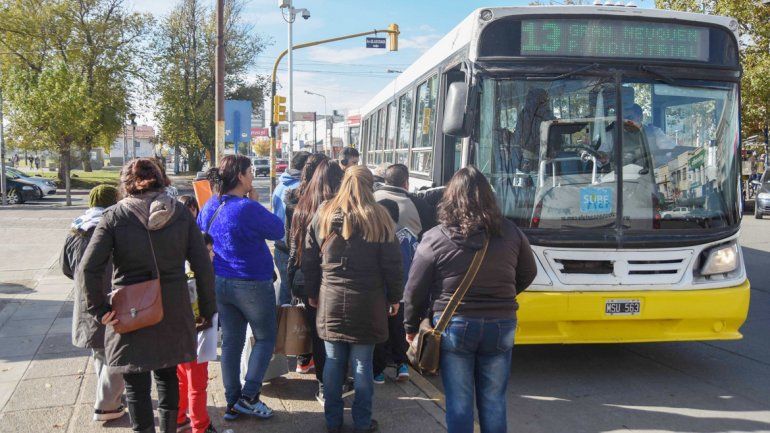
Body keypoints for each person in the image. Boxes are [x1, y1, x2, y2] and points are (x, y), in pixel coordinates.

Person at [79, 158, 216, 433]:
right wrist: (206, 310)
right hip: (174, 308)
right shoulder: (179, 213)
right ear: (161, 178)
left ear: (126, 183)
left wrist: (100, 309)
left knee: (136, 388)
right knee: (168, 380)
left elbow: (88, 269)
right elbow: (203, 265)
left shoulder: (114, 216)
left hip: (130, 311)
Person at [403, 166, 538, 433]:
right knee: (494, 400)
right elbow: (528, 273)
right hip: (501, 323)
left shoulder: (435, 238)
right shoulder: (511, 232)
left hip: (454, 324)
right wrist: (503, 296)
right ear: (489, 197)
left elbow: (415, 288)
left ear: (451, 198)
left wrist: (410, 327)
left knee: (459, 402)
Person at [302, 165, 403, 433]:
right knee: (362, 364)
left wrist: (312, 292)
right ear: (371, 186)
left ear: (343, 183)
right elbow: (393, 264)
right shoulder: (380, 217)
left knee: (333, 362)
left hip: (331, 298)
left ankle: (332, 420)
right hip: (368, 304)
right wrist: (395, 297)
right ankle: (362, 421)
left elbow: (310, 258)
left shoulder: (323, 213)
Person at [197, 154, 284, 422]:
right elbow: (278, 229)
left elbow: (201, 231)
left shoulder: (212, 204)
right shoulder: (247, 207)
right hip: (252, 283)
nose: (253, 176)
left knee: (232, 342)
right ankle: (249, 397)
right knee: (266, 338)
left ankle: (233, 401)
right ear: (241, 176)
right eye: (250, 171)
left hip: (221, 282)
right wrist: (255, 204)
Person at [60, 185, 126, 423]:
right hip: (111, 297)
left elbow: (66, 267)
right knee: (116, 352)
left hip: (86, 299)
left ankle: (109, 395)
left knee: (100, 351)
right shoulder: (113, 226)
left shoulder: (76, 228)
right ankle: (106, 405)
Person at [286, 156, 344, 401]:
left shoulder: (301, 207)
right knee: (334, 336)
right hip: (333, 280)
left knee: (318, 337)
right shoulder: (341, 210)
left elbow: (293, 247)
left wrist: (293, 281)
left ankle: (323, 382)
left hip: (304, 278)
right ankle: (332, 383)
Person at [283, 153, 331, 376]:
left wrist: (291, 275)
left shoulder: (295, 201)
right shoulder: (333, 207)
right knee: (325, 334)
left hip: (301, 273)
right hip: (329, 277)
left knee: (308, 324)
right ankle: (327, 380)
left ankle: (305, 362)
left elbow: (289, 240)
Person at [371, 199, 417, 385]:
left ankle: (378, 372)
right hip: (404, 294)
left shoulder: (377, 236)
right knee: (398, 331)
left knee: (380, 333)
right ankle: (402, 365)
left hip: (381, 294)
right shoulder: (409, 236)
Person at [177, 232, 217, 433]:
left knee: (182, 379)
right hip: (197, 337)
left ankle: (178, 418)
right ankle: (200, 426)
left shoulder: (178, 270)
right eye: (209, 251)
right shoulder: (197, 277)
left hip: (178, 336)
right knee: (197, 385)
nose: (213, 255)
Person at [272, 151, 310, 307]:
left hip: (280, 246)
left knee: (286, 295)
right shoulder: (299, 188)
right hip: (294, 248)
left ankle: (284, 328)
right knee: (294, 296)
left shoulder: (281, 185)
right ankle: (292, 330)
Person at [374, 164, 435, 238]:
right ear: (406, 183)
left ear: (385, 181)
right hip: (409, 248)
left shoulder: (373, 197)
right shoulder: (418, 204)